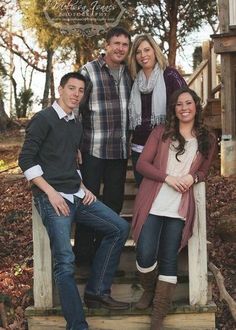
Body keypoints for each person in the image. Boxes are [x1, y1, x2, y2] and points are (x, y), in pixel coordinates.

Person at [18, 72, 130, 330]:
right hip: (52, 198)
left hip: (76, 194)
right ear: (60, 89)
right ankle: (77, 325)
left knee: (119, 228)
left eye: (80, 90)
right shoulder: (43, 119)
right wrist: (50, 193)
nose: (76, 94)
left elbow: (70, 159)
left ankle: (97, 290)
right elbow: (26, 160)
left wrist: (81, 186)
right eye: (71, 88)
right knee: (65, 262)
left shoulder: (75, 123)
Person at [131, 87, 217, 329]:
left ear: (196, 106)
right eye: (179, 104)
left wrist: (194, 178)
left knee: (169, 258)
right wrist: (167, 177)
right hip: (154, 202)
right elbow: (142, 165)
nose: (184, 108)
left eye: (188, 103)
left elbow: (204, 171)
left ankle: (158, 314)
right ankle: (148, 289)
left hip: (179, 207)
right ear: (173, 109)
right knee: (145, 252)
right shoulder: (161, 133)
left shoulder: (207, 139)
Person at [74, 26, 132, 266]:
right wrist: (73, 144)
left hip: (119, 153)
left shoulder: (131, 74)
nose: (120, 48)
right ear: (106, 45)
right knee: (88, 201)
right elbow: (76, 108)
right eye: (116, 43)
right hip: (93, 149)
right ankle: (84, 256)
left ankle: (103, 254)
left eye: (125, 45)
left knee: (114, 203)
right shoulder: (88, 71)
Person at [128, 34, 187, 187]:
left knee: (162, 198)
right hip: (139, 149)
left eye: (147, 50)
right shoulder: (134, 80)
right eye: (138, 52)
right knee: (143, 195)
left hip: (165, 147)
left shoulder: (170, 75)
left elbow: (187, 104)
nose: (143, 55)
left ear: (155, 51)